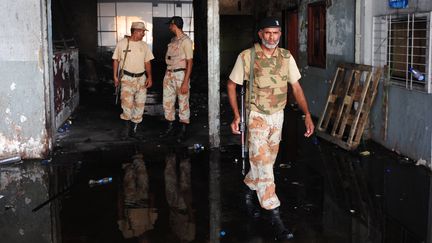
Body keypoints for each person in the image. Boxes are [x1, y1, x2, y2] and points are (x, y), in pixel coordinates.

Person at [227, 17, 315, 240]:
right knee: (264, 165)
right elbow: (231, 85)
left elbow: (296, 87)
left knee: (268, 159)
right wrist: (237, 115)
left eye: (276, 33)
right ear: (260, 34)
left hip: (278, 115)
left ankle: (248, 187)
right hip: (256, 116)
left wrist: (306, 114)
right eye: (268, 33)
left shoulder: (286, 57)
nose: (272, 37)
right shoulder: (247, 56)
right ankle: (274, 213)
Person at [113, 21, 154, 139]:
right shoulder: (122, 44)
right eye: (142, 32)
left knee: (140, 104)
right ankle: (126, 130)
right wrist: (115, 76)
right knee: (127, 104)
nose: (143, 34)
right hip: (126, 78)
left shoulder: (144, 45)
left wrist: (150, 77)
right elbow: (115, 60)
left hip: (141, 78)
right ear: (135, 31)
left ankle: (135, 130)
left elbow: (147, 62)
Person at [161, 16, 193, 142]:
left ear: (174, 25)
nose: (169, 27)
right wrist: (166, 75)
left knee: (183, 103)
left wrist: (185, 81)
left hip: (181, 75)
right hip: (169, 74)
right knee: (167, 102)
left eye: (170, 24)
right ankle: (170, 128)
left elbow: (190, 62)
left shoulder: (186, 41)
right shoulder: (173, 40)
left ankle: (183, 131)